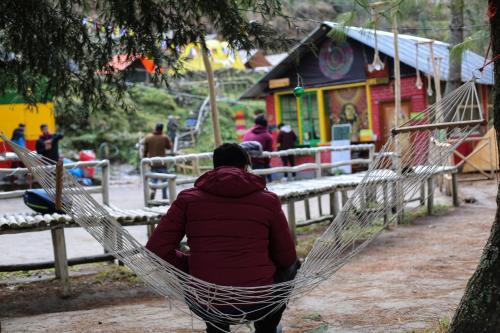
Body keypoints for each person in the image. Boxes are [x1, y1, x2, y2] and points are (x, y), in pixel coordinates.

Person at [146, 143, 298, 333]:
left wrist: (188, 266)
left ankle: (217, 328)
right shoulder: (268, 201)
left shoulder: (187, 200)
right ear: (245, 167)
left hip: (207, 300)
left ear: (215, 166)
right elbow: (287, 258)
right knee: (294, 265)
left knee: (206, 288)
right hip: (260, 301)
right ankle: (267, 327)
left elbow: (156, 249)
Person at [144, 123, 172, 200]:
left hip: (152, 163)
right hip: (162, 162)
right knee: (164, 180)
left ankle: (153, 191)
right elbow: (169, 147)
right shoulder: (164, 137)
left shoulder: (148, 137)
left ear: (155, 128)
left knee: (153, 180)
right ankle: (164, 196)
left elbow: (145, 151)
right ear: (162, 129)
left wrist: (145, 159)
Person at [243, 114, 273, 180]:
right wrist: (266, 164)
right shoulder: (268, 136)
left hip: (245, 163)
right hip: (259, 163)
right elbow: (268, 153)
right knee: (260, 185)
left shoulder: (247, 133)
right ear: (266, 125)